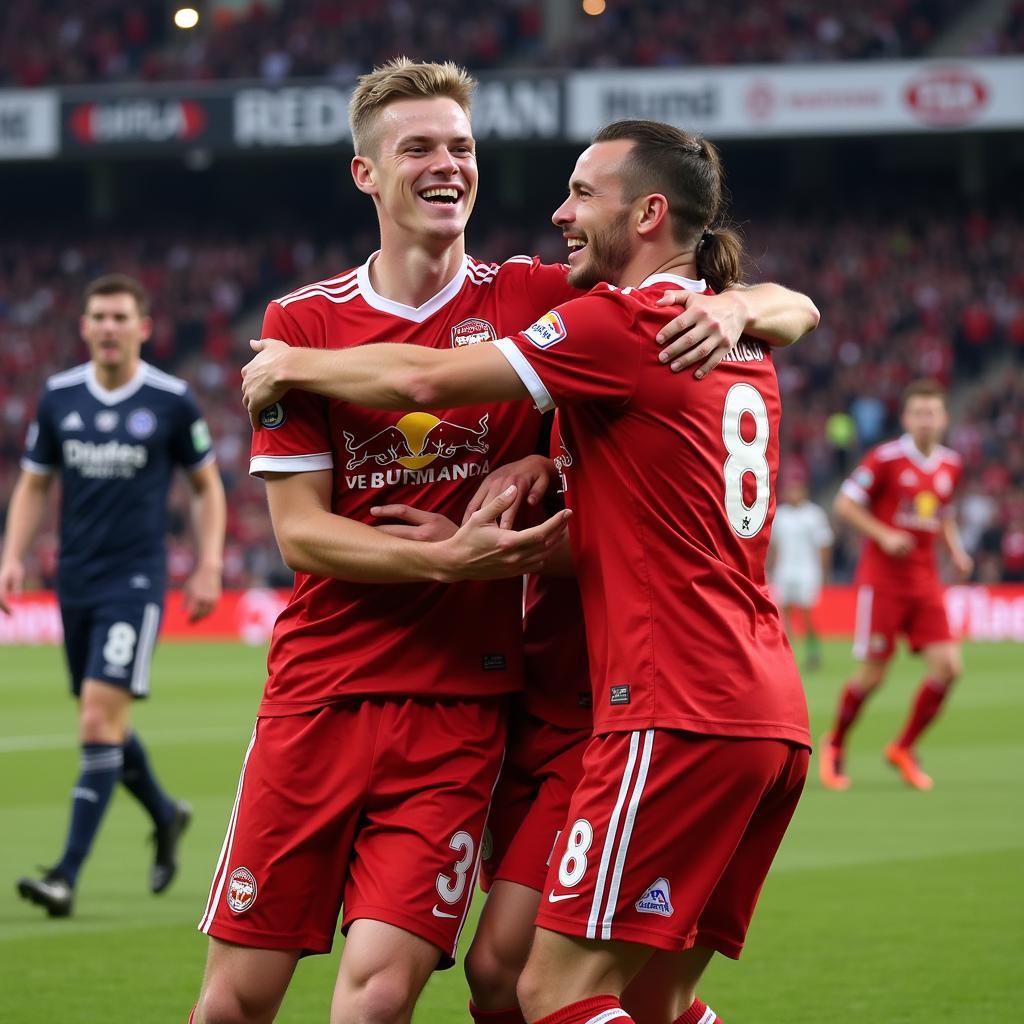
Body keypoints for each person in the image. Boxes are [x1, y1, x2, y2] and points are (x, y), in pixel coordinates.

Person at [215, 60, 817, 1024]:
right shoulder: (309, 310)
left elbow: (421, 383)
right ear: (366, 173)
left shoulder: (562, 306)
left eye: (462, 146)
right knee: (558, 989)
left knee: (540, 992)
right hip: (346, 692)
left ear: (648, 213)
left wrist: (304, 370)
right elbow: (302, 536)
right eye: (420, 146)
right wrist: (744, 305)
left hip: (604, 702)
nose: (559, 214)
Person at [1, 273, 226, 918]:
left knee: (97, 719)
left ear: (143, 327)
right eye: (97, 316)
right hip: (74, 579)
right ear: (83, 327)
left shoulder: (172, 400)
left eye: (119, 317)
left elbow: (208, 487)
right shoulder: (57, 397)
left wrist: (209, 562)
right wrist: (12, 555)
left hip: (135, 582)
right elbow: (35, 484)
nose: (107, 327)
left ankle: (65, 875)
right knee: (107, 723)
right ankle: (165, 812)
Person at [820, 379, 972, 792]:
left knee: (949, 667)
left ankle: (902, 748)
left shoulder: (951, 465)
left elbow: (943, 513)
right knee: (874, 675)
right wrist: (884, 535)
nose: (926, 420)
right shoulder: (884, 459)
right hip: (883, 581)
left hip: (925, 580)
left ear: (944, 418)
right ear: (906, 418)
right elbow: (844, 503)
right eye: (918, 413)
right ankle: (835, 744)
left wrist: (955, 551)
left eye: (932, 413)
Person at [767, 477, 833, 671]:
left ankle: (813, 653)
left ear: (804, 491)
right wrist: (769, 569)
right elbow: (775, 546)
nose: (793, 494)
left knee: (807, 614)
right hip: (784, 570)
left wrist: (824, 571)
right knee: (783, 613)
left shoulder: (814, 514)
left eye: (797, 489)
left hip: (807, 571)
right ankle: (786, 653)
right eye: (790, 490)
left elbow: (823, 545)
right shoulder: (781, 514)